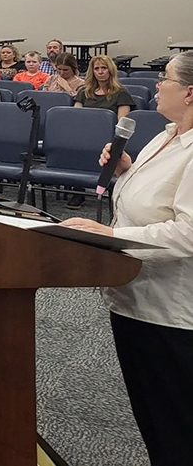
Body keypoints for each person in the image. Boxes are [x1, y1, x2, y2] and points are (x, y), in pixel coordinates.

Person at [60, 51, 193, 465]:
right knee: (154, 419)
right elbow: (154, 200)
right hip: (133, 298)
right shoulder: (165, 134)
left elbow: (188, 232)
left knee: (177, 425)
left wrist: (112, 235)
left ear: (190, 92)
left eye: (165, 78)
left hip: (170, 310)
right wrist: (126, 169)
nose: (156, 83)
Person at [75, 55, 134, 119]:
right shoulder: (84, 91)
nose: (100, 72)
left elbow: (122, 123)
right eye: (96, 69)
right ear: (92, 72)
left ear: (111, 70)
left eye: (104, 68)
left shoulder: (121, 93)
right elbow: (76, 116)